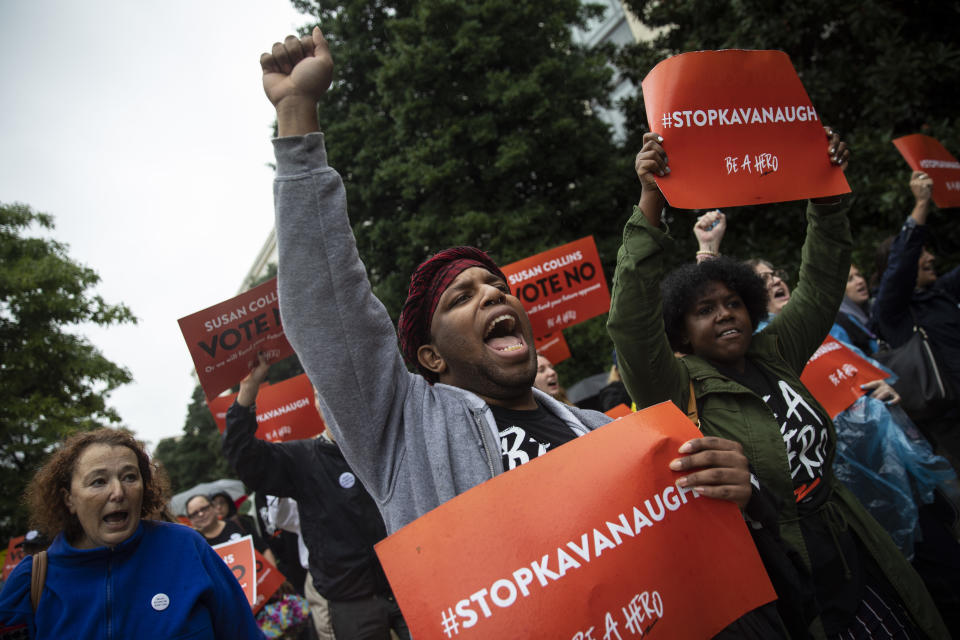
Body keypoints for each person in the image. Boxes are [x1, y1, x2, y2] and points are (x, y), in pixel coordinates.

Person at [608, 129, 948, 639]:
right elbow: (632, 324)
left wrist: (826, 192)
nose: (725, 314)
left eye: (734, 303)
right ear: (680, 331)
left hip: (852, 541)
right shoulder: (675, 388)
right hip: (791, 572)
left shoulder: (777, 351)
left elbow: (823, 278)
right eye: (705, 310)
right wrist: (651, 200)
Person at [0, 428, 262, 639]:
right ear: (69, 499)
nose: (118, 492)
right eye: (99, 481)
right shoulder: (31, 581)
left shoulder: (186, 547)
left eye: (129, 477)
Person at [223, 354, 407, 640]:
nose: (331, 402)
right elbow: (245, 456)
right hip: (350, 602)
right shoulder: (301, 458)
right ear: (316, 405)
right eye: (322, 396)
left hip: (407, 582)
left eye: (337, 394)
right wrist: (248, 391)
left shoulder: (381, 446)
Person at [871, 170, 960, 460]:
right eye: (922, 253)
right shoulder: (892, 311)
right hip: (948, 422)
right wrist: (921, 204)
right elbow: (902, 263)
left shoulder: (940, 293)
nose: (931, 258)